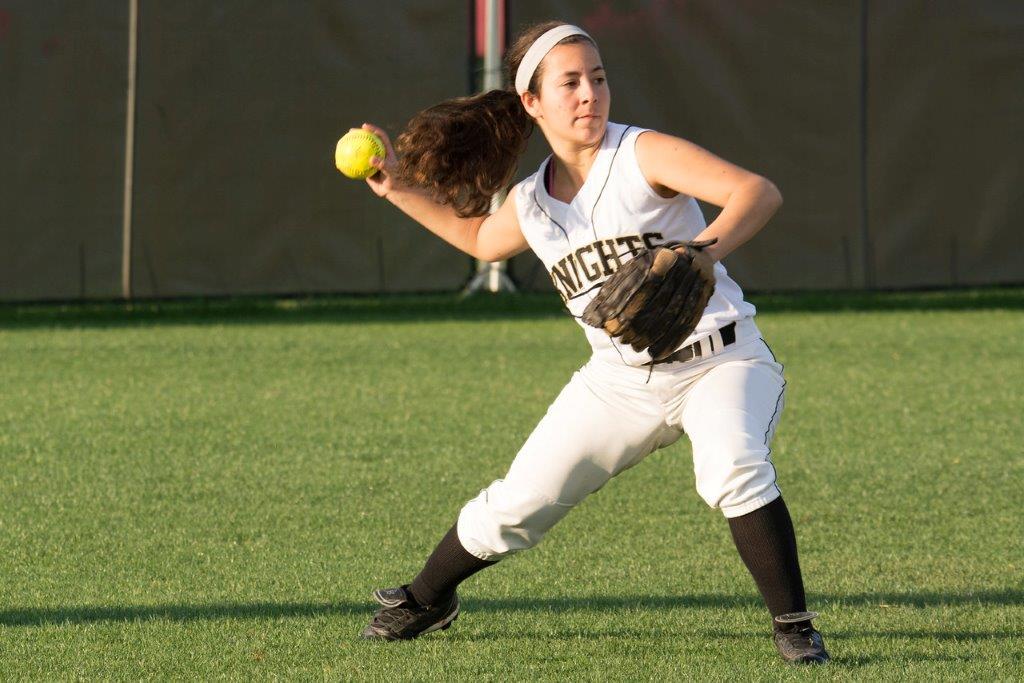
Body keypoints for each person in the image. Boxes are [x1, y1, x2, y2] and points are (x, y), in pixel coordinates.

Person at [355, 21, 830, 664]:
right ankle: (427, 597)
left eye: (598, 79)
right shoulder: (532, 202)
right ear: (533, 103)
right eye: (570, 83)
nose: (590, 95)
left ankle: (793, 625)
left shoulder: (641, 154)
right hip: (619, 381)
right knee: (517, 504)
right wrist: (395, 188)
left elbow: (756, 192)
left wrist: (703, 251)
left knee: (731, 466)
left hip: (722, 359)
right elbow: (477, 241)